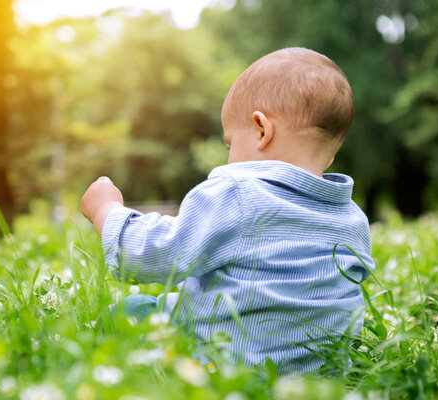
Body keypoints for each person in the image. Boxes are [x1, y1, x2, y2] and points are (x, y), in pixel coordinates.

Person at [80, 47, 375, 374]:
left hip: (223, 373)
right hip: (319, 381)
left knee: (133, 308)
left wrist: (106, 210)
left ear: (262, 130)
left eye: (229, 143)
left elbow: (151, 255)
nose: (229, 155)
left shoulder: (235, 194)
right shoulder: (353, 221)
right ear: (330, 157)